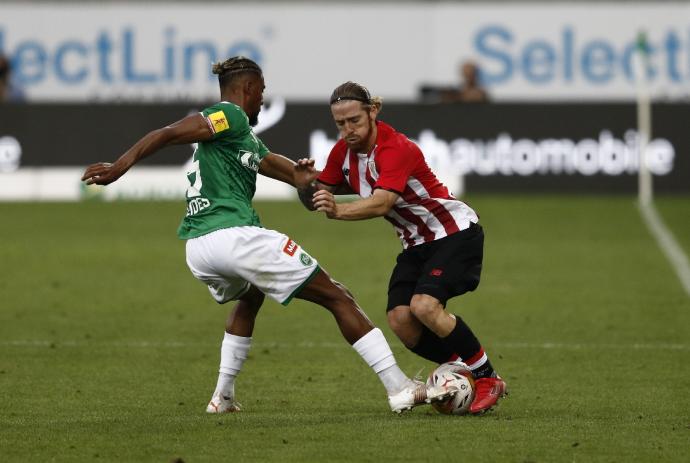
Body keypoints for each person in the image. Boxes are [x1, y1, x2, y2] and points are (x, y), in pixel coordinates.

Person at [81, 57, 454, 414]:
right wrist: (119, 166)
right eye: (261, 90)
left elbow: (288, 172)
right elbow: (166, 133)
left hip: (199, 249)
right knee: (338, 296)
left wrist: (305, 178)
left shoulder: (240, 136)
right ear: (248, 87)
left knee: (251, 295)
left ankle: (222, 396)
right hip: (234, 238)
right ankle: (399, 387)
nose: (263, 98)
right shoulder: (228, 114)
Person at [297, 81, 506, 414]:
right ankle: (461, 371)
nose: (348, 130)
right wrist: (305, 183)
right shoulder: (342, 154)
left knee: (424, 306)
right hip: (415, 243)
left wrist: (337, 210)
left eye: (354, 120)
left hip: (453, 232)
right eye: (340, 124)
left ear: (373, 111)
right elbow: (316, 199)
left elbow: (381, 204)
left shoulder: (396, 148)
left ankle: (487, 377)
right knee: (401, 321)